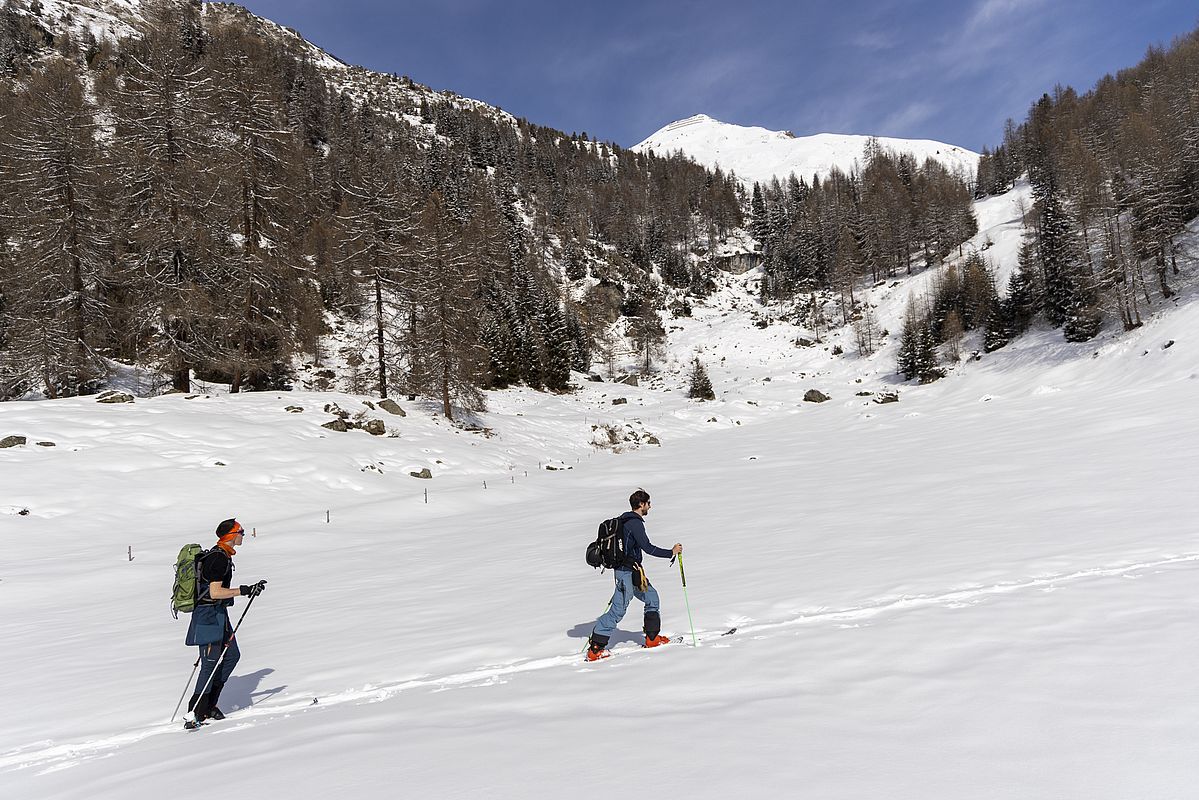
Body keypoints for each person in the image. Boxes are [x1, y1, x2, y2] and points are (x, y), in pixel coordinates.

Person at [184, 518, 266, 729]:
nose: (243, 535)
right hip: (208, 616)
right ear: (230, 535)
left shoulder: (223, 556)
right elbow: (214, 592)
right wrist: (244, 590)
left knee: (232, 655)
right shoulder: (218, 558)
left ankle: (211, 704)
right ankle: (195, 711)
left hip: (218, 614)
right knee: (209, 664)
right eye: (241, 532)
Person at [586, 490, 682, 661]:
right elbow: (648, 547)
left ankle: (652, 639)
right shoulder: (634, 523)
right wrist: (671, 552)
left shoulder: (625, 520)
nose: (650, 507)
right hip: (625, 572)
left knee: (652, 597)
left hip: (635, 571)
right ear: (641, 504)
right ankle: (595, 648)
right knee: (618, 609)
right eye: (648, 503)